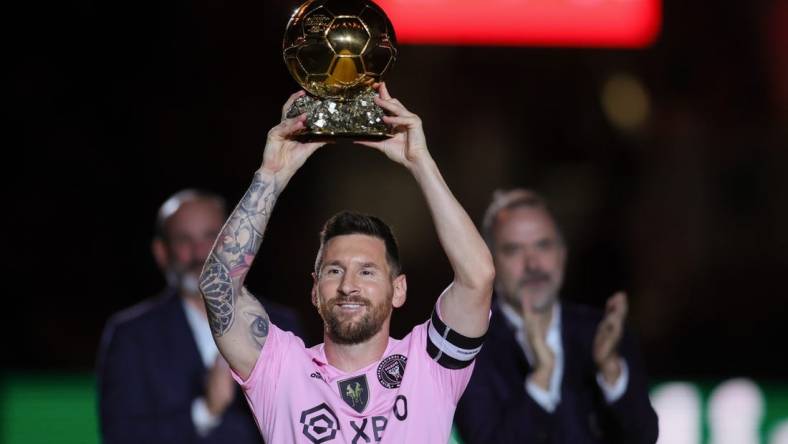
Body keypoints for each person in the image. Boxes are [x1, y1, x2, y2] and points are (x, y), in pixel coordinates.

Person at [197, 83, 495, 443]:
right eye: (334, 270)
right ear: (314, 289)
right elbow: (218, 288)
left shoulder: (429, 364)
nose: (348, 285)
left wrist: (421, 163)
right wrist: (271, 176)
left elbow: (478, 278)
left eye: (367, 271)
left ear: (398, 288)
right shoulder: (282, 369)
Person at [97, 189, 304, 444]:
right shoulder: (131, 335)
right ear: (162, 252)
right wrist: (205, 412)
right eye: (184, 240)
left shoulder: (281, 326)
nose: (199, 253)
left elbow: (303, 424)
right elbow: (120, 436)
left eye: (211, 237)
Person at [455, 189, 658, 443]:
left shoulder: (603, 332)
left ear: (563, 253)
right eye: (514, 250)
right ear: (491, 263)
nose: (533, 264)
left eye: (543, 245)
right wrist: (541, 378)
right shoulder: (469, 349)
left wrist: (610, 369)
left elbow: (644, 436)